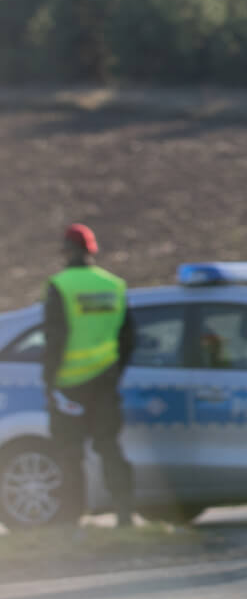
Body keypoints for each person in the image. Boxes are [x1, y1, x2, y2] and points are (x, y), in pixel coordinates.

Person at [42, 223, 138, 528]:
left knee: (70, 454)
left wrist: (49, 380)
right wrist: (113, 371)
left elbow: (54, 338)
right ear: (92, 250)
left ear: (67, 251)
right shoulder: (114, 285)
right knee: (109, 447)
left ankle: (72, 522)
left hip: (69, 385)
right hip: (105, 382)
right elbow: (129, 337)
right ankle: (124, 514)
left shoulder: (61, 285)